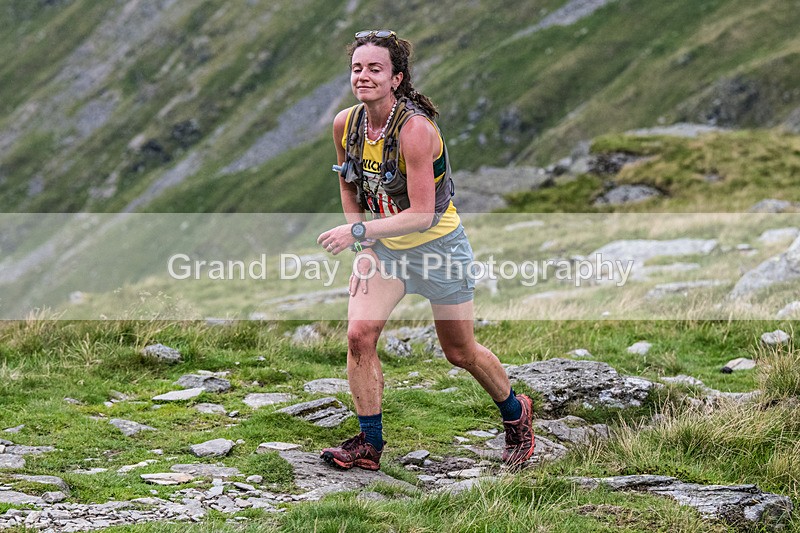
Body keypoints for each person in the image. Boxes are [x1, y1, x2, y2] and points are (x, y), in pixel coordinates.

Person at [317, 30, 534, 471]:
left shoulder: (416, 130)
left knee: (459, 351)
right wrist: (365, 242)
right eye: (357, 68)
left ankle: (516, 415)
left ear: (396, 78)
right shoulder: (346, 124)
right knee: (359, 336)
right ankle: (369, 445)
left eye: (375, 69)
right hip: (385, 251)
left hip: (439, 250)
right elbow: (348, 183)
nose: (363, 76)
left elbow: (422, 215)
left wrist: (356, 233)